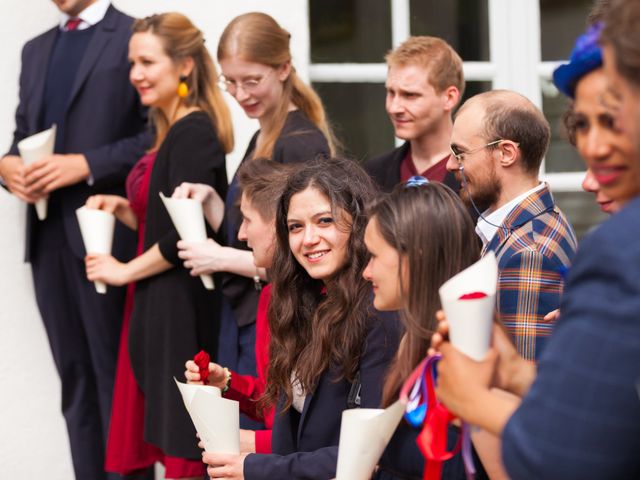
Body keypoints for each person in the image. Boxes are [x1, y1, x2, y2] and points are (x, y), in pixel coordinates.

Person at [432, 4, 640, 477]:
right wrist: (520, 373)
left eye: (612, 119)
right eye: (583, 124)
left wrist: (473, 400)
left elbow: (564, 453)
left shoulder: (598, 251)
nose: (592, 149)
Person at [0, 0, 148, 477]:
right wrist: (6, 169)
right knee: (76, 383)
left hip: (110, 238)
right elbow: (22, 136)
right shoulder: (35, 49)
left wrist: (85, 165)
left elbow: (157, 136)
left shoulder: (134, 37)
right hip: (47, 240)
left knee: (117, 385)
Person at [84, 12, 232, 479]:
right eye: (132, 63)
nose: (136, 75)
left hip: (179, 311)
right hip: (154, 305)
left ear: (184, 65)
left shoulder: (194, 131)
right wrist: (128, 211)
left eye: (147, 62)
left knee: (185, 445)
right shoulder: (168, 130)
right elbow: (164, 215)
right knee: (165, 441)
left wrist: (121, 270)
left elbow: (184, 234)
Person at [201, 158, 401, 479]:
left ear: (360, 223)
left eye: (324, 221)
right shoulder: (302, 303)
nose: (308, 239)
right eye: (296, 227)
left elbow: (370, 455)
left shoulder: (378, 313)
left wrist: (256, 467)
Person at [177, 13, 333, 401]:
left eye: (251, 81)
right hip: (250, 314)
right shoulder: (265, 132)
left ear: (284, 69)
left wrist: (219, 258)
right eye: (229, 81)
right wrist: (216, 204)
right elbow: (258, 231)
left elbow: (301, 252)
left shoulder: (298, 142)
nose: (240, 93)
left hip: (272, 318)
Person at [445, 90, 578, 361]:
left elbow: (520, 389)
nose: (450, 165)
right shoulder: (525, 228)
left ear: (506, 153)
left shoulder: (528, 253)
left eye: (460, 153)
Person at [362, 178, 480, 479]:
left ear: (416, 256)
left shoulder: (465, 358)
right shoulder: (414, 341)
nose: (366, 272)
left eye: (374, 256)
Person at [183, 159, 297, 455]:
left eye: (247, 220)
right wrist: (226, 381)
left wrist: (253, 444)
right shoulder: (270, 296)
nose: (242, 234)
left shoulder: (321, 304)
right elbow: (272, 404)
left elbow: (322, 436)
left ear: (276, 225)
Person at [365, 36, 464, 192]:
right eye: (391, 92)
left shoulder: (476, 176)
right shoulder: (372, 174)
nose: (394, 108)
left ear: (449, 97)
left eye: (410, 95)